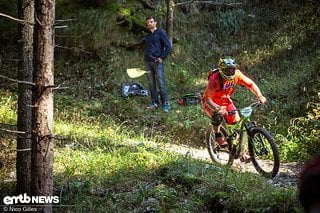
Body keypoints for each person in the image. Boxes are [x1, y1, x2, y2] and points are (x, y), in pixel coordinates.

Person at [201, 57, 267, 162]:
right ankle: (218, 135)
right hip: (211, 102)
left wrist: (260, 96)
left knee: (238, 125)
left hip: (226, 100)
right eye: (228, 70)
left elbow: (250, 84)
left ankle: (242, 153)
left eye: (232, 69)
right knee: (217, 115)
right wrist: (218, 109)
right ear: (222, 70)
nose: (231, 72)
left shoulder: (237, 74)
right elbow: (208, 99)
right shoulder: (214, 79)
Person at [143, 16, 172, 112]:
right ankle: (154, 103)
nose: (149, 24)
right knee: (151, 84)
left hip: (157, 63)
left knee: (161, 83)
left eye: (151, 22)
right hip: (148, 63)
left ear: (155, 22)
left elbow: (168, 47)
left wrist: (162, 58)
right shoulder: (147, 36)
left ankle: (165, 104)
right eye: (148, 23)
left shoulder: (160, 33)